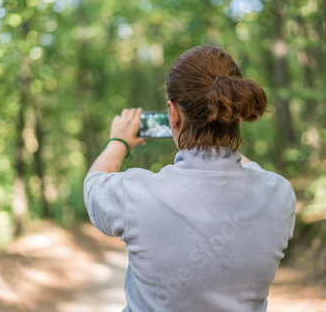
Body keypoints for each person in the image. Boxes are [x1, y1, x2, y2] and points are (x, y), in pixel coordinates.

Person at [83, 45, 296, 312]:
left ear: (173, 114)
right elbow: (255, 172)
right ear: (238, 114)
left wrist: (118, 142)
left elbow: (93, 184)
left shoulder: (135, 193)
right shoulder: (280, 195)